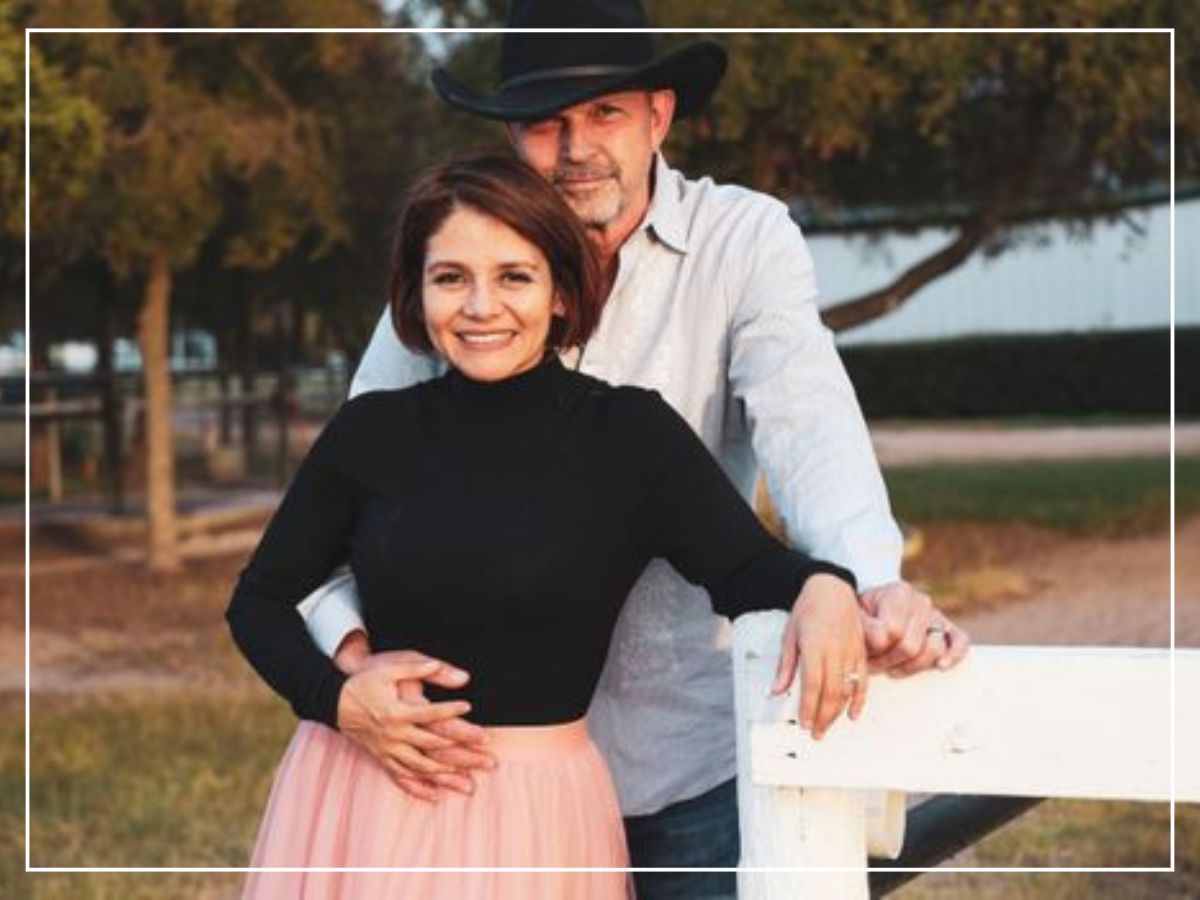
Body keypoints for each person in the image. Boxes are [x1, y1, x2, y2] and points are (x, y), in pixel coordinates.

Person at [300, 2, 971, 896]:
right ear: (511, 135)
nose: (576, 149)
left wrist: (861, 585)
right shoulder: (457, 271)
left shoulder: (744, 242)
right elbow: (341, 494)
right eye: (545, 122)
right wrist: (351, 667)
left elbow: (809, 425)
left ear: (660, 115)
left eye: (606, 113)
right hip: (473, 777)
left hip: (679, 767)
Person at [227, 153, 868, 899]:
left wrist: (829, 585)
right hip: (367, 790)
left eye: (513, 277)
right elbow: (259, 599)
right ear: (416, 292)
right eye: (450, 278)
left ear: (561, 292)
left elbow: (746, 571)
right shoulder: (371, 433)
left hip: (542, 813)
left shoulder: (631, 438)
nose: (479, 306)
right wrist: (334, 700)